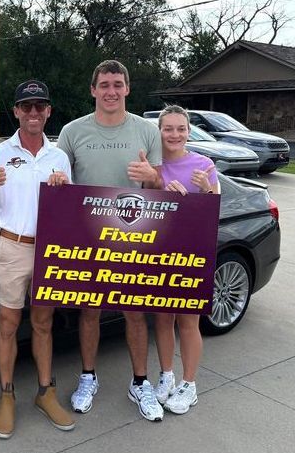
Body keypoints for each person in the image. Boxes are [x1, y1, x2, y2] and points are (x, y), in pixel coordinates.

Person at [0, 79, 77, 439]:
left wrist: (65, 190)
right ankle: (7, 395)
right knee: (9, 324)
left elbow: (71, 211)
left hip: (49, 249)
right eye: (26, 106)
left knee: (43, 323)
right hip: (12, 247)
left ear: (48, 112)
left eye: (39, 106)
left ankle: (46, 392)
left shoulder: (59, 156)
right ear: (15, 111)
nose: (33, 112)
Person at [56, 60, 167, 422]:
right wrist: (58, 184)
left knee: (135, 314)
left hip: (134, 235)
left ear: (128, 89)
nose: (111, 91)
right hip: (87, 238)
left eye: (118, 84)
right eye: (104, 84)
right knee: (90, 311)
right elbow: (61, 187)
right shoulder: (72, 133)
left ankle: (140, 382)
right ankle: (88, 377)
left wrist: (151, 176)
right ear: (93, 90)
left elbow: (159, 191)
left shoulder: (146, 132)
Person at [148, 104, 217, 414]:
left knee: (188, 322)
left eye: (180, 129)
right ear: (159, 131)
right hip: (159, 252)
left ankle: (189, 384)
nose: (174, 134)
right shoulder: (154, 166)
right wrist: (162, 191)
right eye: (168, 129)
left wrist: (203, 193)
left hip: (191, 253)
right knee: (163, 320)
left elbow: (213, 213)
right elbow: (145, 209)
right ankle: (166, 375)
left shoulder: (203, 165)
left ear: (188, 132)